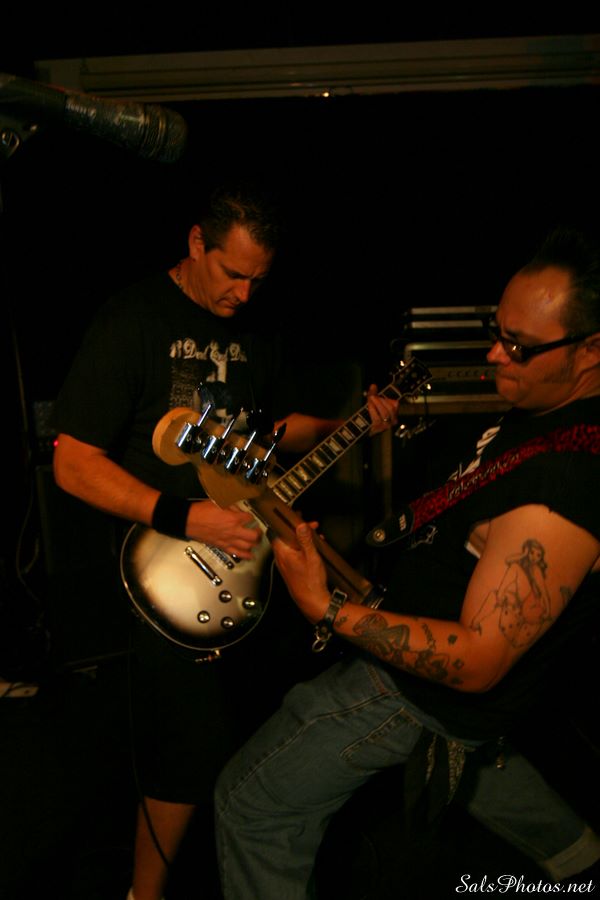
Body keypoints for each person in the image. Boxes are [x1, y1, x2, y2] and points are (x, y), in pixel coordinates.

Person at [215, 225, 600, 898]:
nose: (495, 353)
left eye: (519, 346)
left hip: (414, 695)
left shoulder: (563, 487)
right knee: (479, 757)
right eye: (497, 331)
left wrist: (326, 607)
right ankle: (580, 860)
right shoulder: (542, 409)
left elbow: (478, 661)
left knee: (251, 802)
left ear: (592, 349)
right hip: (434, 675)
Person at [51, 179, 399, 900]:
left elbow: (271, 434)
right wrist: (184, 518)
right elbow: (73, 462)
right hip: (165, 568)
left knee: (248, 728)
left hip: (246, 564)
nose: (243, 294)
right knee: (184, 747)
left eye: (258, 280)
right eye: (232, 274)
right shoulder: (132, 318)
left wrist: (351, 425)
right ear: (195, 243)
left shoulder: (257, 329)